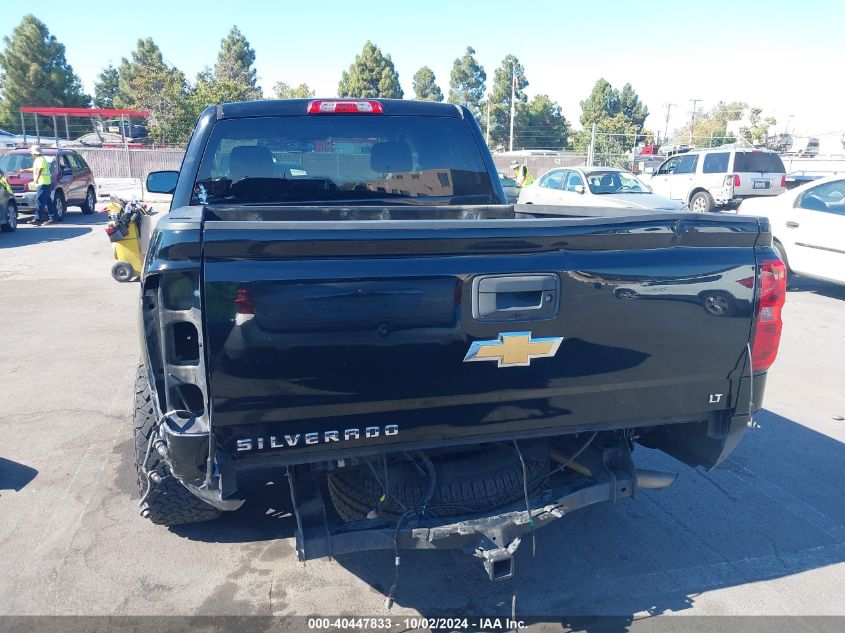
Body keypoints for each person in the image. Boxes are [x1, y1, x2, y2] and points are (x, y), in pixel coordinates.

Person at [29, 145, 58, 226]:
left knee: (39, 201)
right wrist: (24, 170)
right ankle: (53, 218)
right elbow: (35, 169)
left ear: (34, 153)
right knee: (48, 202)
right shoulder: (40, 159)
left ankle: (38, 219)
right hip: (46, 183)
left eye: (31, 151)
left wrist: (36, 179)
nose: (31, 153)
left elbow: (40, 169)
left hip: (43, 183)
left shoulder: (40, 160)